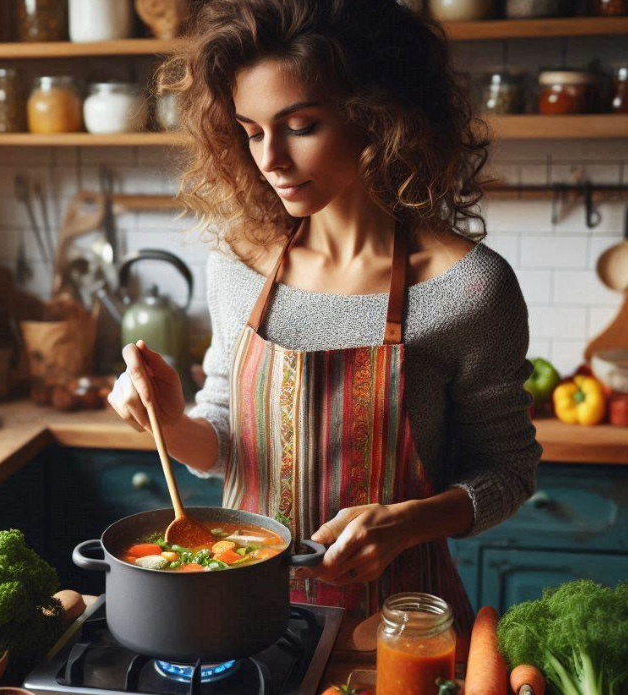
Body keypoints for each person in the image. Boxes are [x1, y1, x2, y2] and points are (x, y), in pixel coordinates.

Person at [106, 0, 542, 632]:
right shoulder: (240, 264)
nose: (270, 159)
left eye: (301, 125)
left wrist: (407, 521)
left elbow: (508, 471)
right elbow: (229, 445)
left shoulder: (468, 287)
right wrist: (170, 422)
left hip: (396, 627)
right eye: (252, 132)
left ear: (378, 117)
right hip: (242, 618)